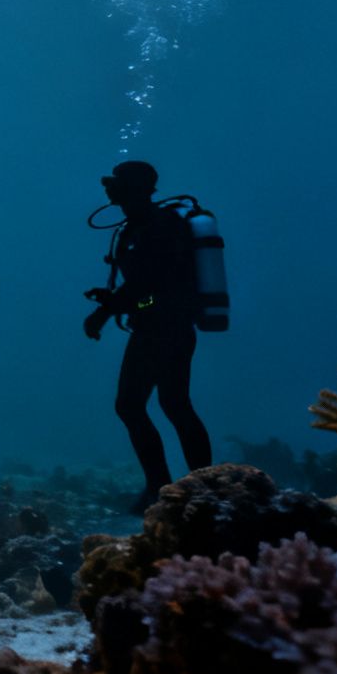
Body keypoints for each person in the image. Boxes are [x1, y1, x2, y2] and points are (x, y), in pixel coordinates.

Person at [83, 160, 213, 512]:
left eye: (115, 182)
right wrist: (115, 303)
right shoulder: (137, 227)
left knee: (135, 405)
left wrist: (110, 308)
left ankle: (165, 487)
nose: (107, 187)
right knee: (174, 404)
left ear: (134, 188)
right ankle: (200, 485)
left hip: (163, 328)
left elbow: (155, 289)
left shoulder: (158, 226)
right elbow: (143, 288)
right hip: (163, 326)